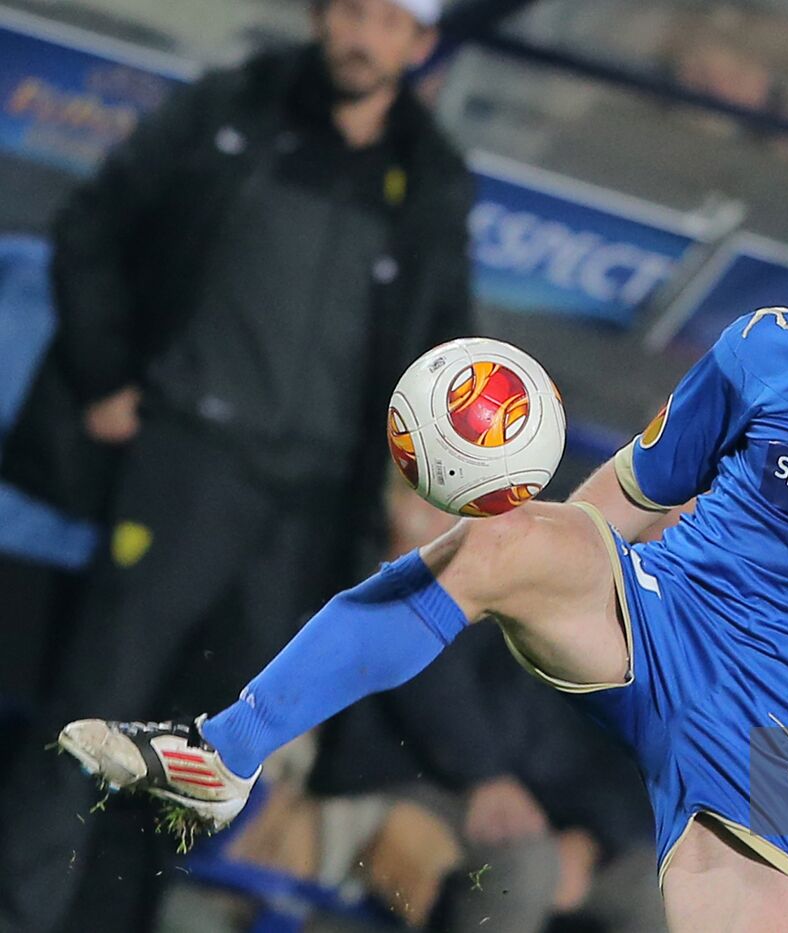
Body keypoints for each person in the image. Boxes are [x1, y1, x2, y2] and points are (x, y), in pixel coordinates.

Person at [58, 119, 788, 931]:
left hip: (769, 750)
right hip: (659, 622)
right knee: (509, 542)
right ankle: (221, 752)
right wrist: (524, 563)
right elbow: (635, 489)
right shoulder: (762, 345)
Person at [0, 1, 472, 930]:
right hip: (187, 466)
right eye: (349, 10)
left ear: (419, 45)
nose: (361, 34)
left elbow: (439, 345)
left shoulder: (432, 179)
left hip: (308, 512)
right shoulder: (231, 107)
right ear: (318, 16)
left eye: (387, 19)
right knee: (94, 713)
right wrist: (103, 375)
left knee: (203, 756)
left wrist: (423, 485)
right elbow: (92, 226)